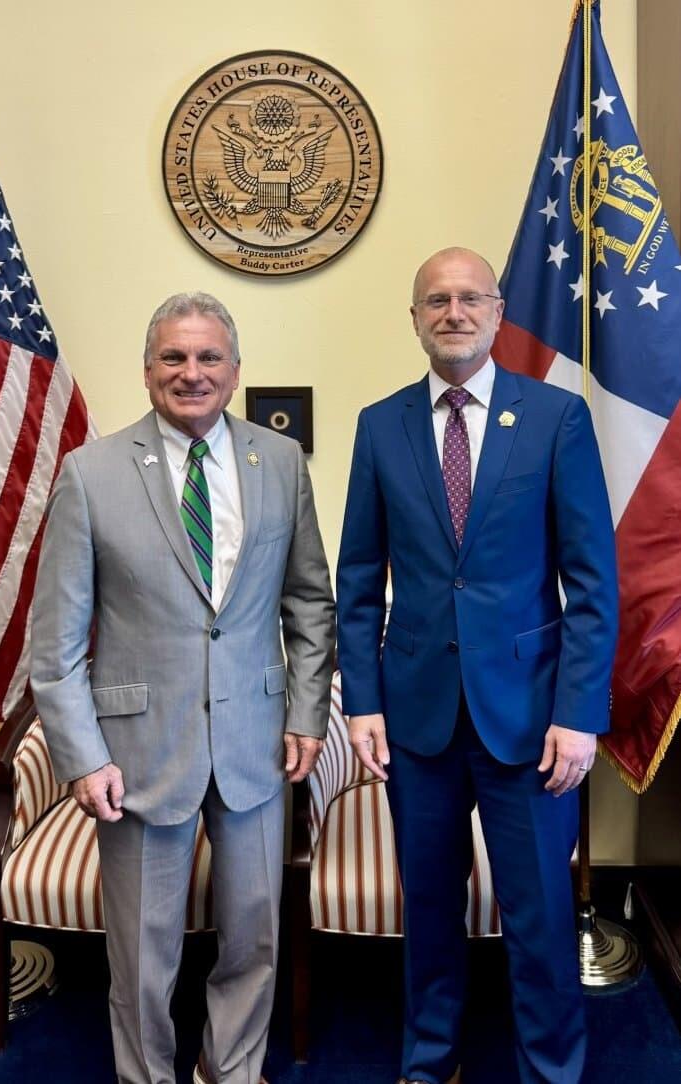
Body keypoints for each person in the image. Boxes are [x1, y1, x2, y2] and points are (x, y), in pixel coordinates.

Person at [31, 291, 335, 1084]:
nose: (190, 372)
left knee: (253, 939)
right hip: (136, 756)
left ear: (235, 372)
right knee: (142, 954)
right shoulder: (90, 474)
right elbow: (55, 644)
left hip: (257, 747)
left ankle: (230, 1067)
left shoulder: (280, 464)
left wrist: (307, 712)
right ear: (147, 370)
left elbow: (310, 602)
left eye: (208, 358)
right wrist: (83, 758)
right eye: (173, 357)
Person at [336, 247, 618, 1084]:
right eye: (436, 300)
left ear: (497, 313)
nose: (453, 313)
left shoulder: (556, 418)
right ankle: (430, 1063)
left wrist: (579, 714)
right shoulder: (380, 426)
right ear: (414, 318)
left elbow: (592, 584)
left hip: (529, 720)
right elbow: (359, 578)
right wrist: (363, 702)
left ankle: (551, 1070)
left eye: (470, 299)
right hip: (416, 720)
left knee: (540, 916)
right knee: (428, 910)